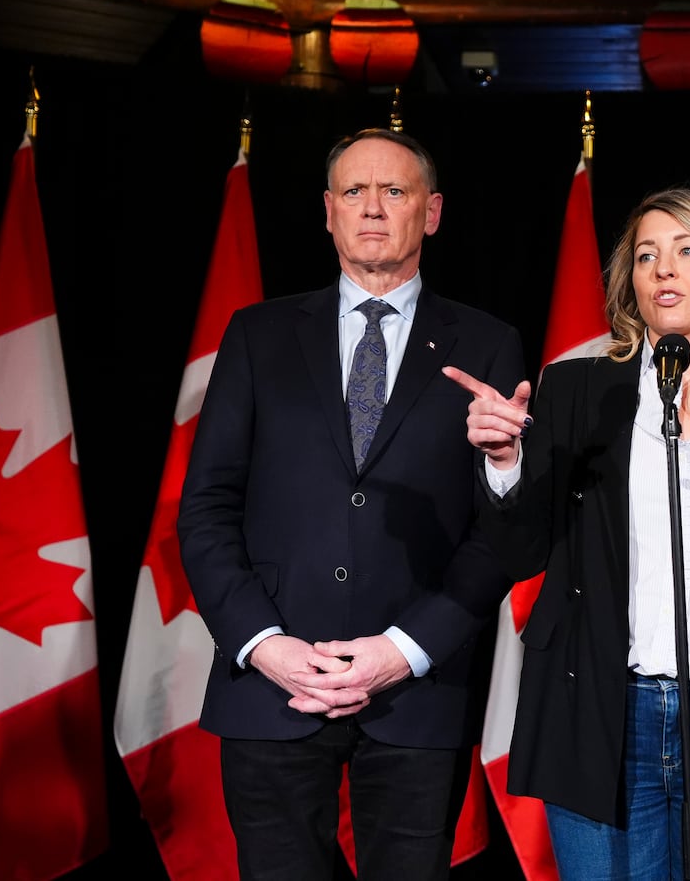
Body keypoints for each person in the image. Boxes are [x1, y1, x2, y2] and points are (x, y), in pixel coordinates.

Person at [443, 186, 690, 881]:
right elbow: (519, 553)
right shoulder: (574, 393)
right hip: (602, 707)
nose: (663, 269)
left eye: (687, 250)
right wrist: (505, 463)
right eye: (646, 255)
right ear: (629, 281)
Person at [177, 127, 527, 881]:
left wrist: (401, 650)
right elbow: (206, 508)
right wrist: (265, 644)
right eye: (356, 192)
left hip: (417, 691)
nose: (374, 208)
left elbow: (499, 533)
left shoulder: (489, 344)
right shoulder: (257, 335)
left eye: (394, 191)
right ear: (328, 211)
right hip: (272, 685)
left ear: (430, 213)